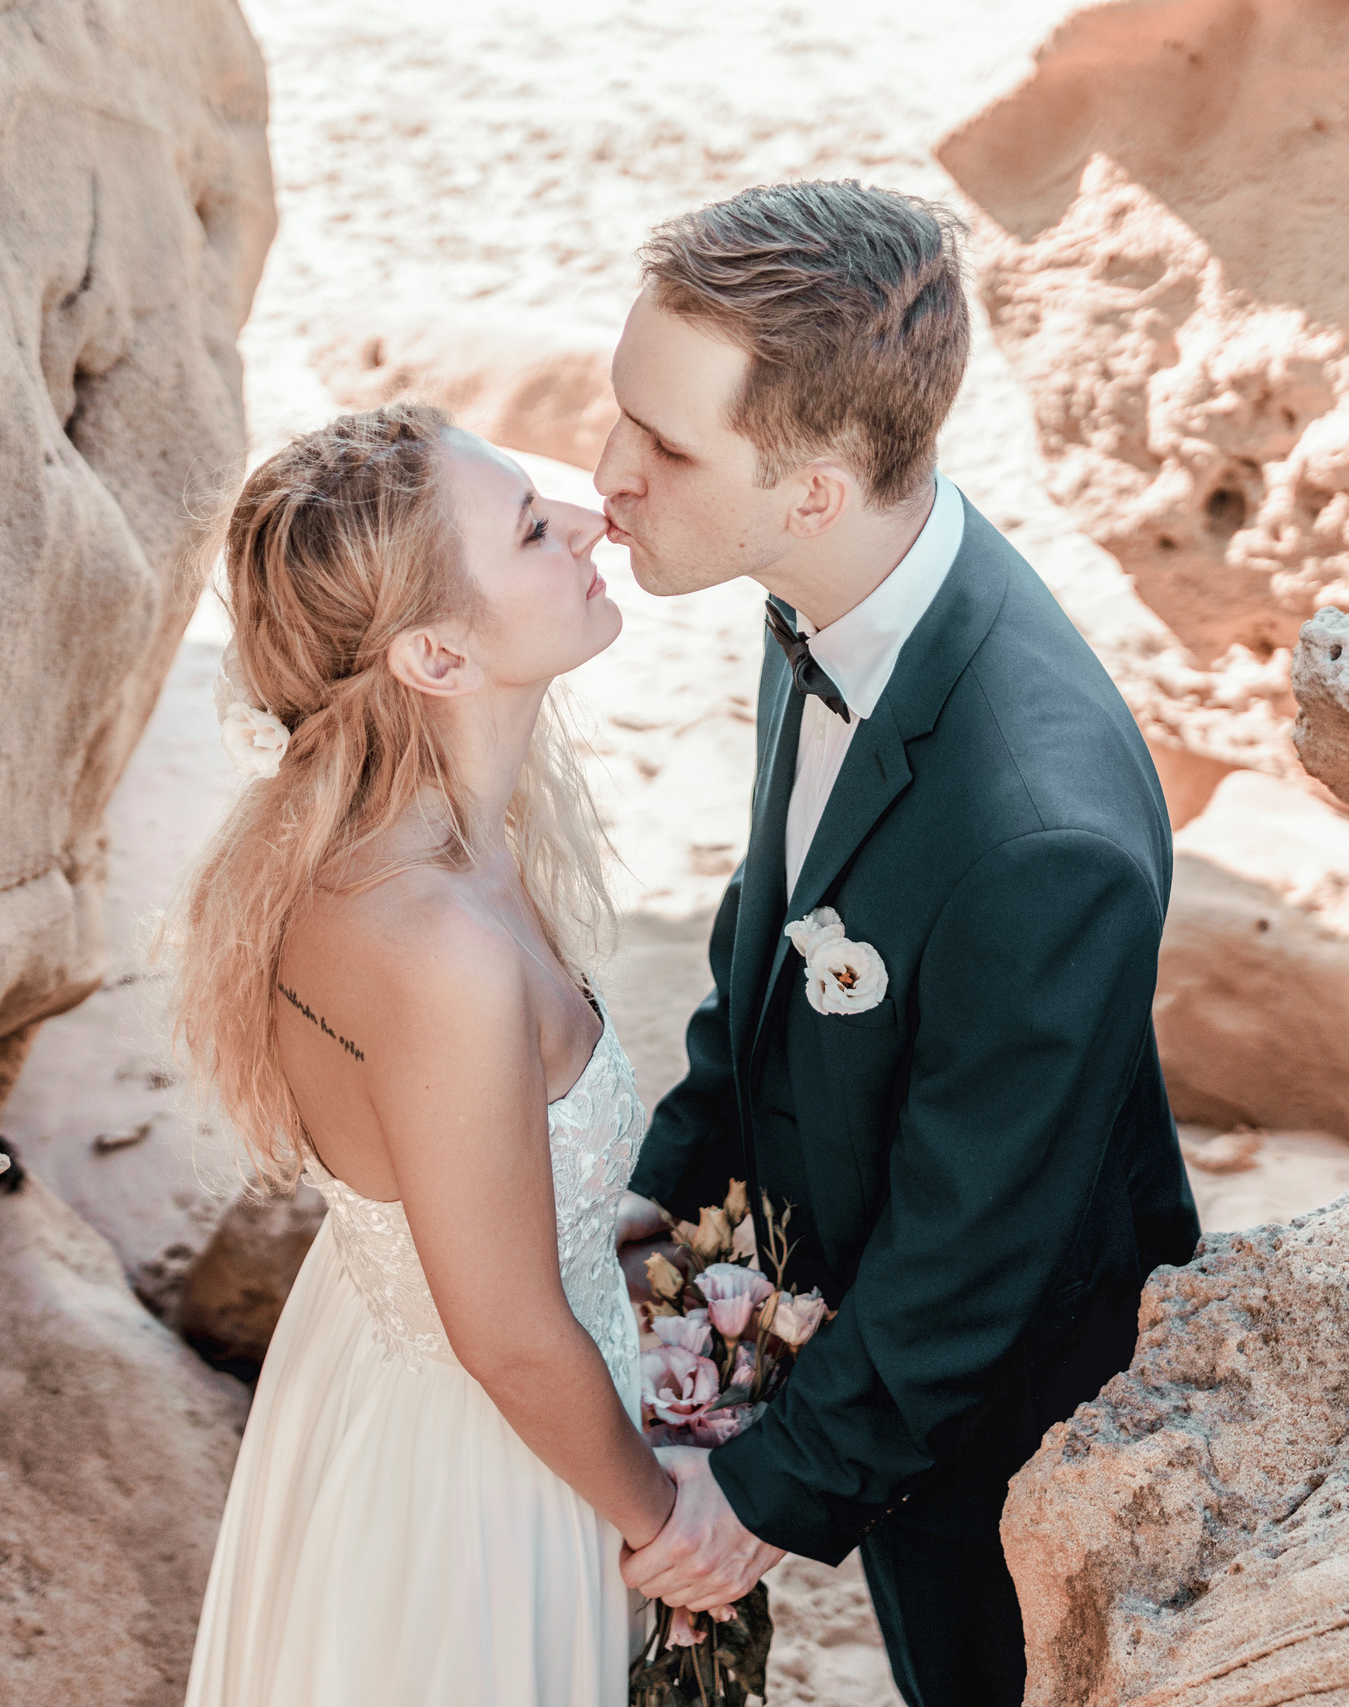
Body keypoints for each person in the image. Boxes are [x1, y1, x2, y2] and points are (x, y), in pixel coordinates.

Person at [599, 181, 1202, 1706]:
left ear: (809, 488)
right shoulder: (821, 593)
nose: (608, 475)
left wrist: (760, 1495)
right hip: (846, 1276)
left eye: (663, 448)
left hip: (1007, 1415)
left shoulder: (1038, 836)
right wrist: (650, 1237)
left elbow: (976, 1246)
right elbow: (770, 953)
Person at [173, 403, 674, 1707]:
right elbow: (509, 1338)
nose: (585, 519)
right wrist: (667, 1522)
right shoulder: (440, 940)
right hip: (477, 1466)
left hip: (371, 1376)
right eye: (528, 527)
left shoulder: (371, 844)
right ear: (438, 656)